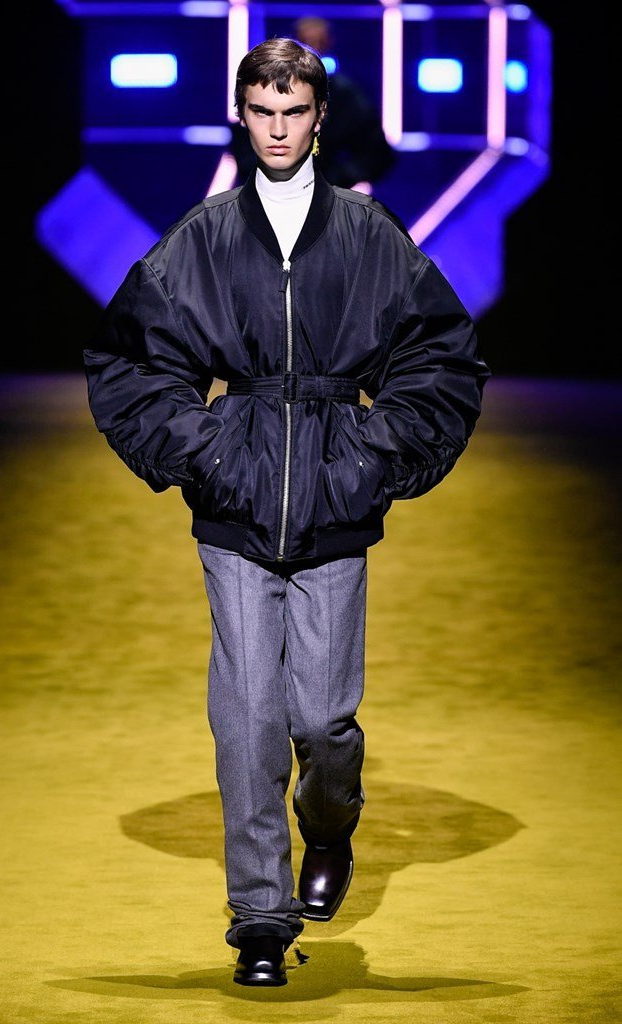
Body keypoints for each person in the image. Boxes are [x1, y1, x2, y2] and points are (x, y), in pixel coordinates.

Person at [83, 38, 490, 987]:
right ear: (241, 114)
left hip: (333, 509)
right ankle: (259, 919)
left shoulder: (366, 235)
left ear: (318, 118)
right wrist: (210, 452)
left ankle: (330, 826)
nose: (276, 129)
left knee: (322, 719)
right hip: (234, 510)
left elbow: (440, 355)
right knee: (248, 721)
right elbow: (132, 359)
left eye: (293, 112)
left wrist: (370, 460)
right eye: (261, 112)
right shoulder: (203, 237)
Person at [229, 18, 396, 189]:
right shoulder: (263, 86)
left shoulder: (344, 95)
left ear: (328, 43)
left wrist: (337, 178)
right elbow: (243, 139)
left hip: (325, 193)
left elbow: (376, 152)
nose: (312, 50)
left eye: (318, 42)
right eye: (306, 42)